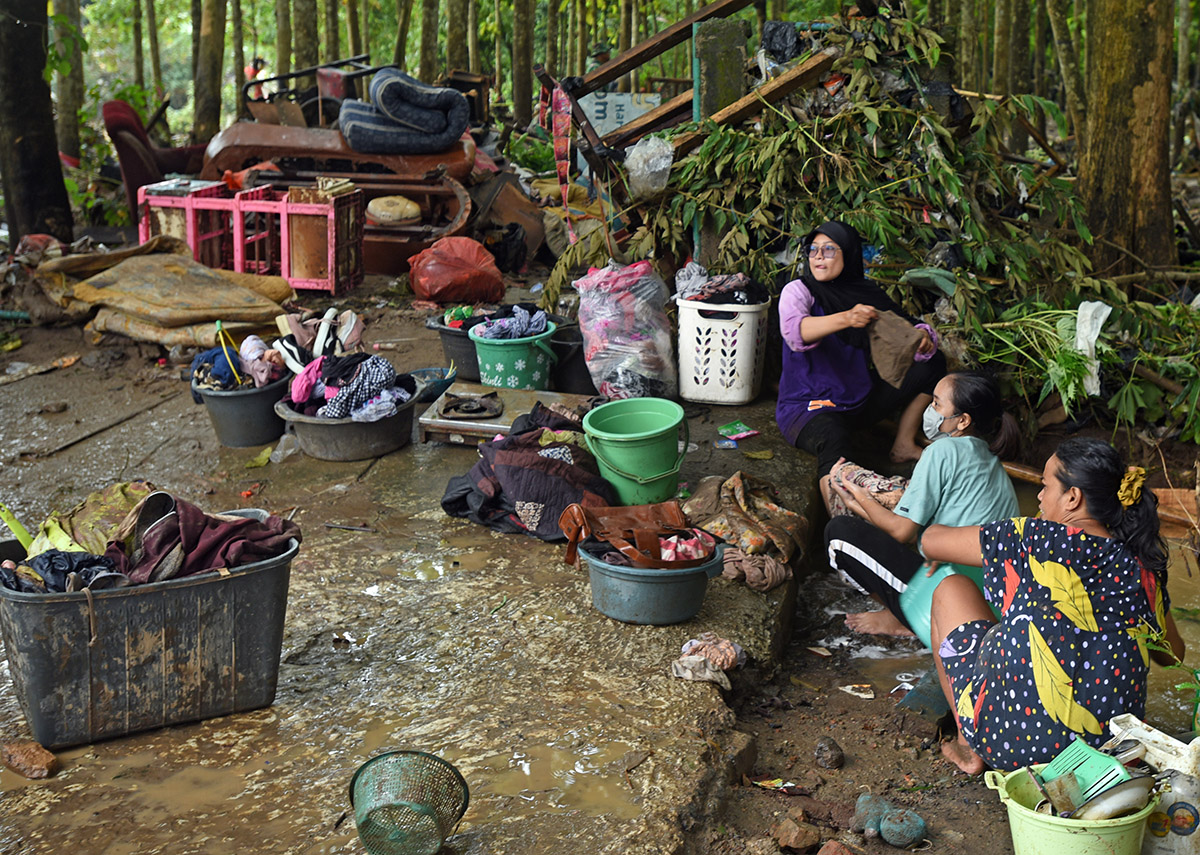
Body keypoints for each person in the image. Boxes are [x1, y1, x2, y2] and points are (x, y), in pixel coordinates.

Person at [920, 437, 1186, 774]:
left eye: (1045, 487)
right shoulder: (1143, 565)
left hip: (1013, 749)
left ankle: (970, 746)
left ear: (1073, 497)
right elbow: (1172, 655)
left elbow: (930, 540)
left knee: (950, 588)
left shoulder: (1032, 536)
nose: (1041, 497)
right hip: (1111, 758)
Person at [825, 370, 1021, 638]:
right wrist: (858, 502)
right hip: (992, 603)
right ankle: (912, 615)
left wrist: (859, 497)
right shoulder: (992, 463)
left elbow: (902, 531)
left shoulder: (941, 451)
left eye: (937, 404)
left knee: (839, 534)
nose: (930, 409)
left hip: (955, 598)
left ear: (962, 420)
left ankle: (909, 619)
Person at [775, 221, 946, 511]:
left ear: (850, 254)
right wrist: (846, 318)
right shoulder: (799, 291)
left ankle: (903, 443)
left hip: (857, 401)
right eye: (813, 249)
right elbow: (795, 332)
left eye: (828, 249)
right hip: (809, 407)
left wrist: (921, 338)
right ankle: (839, 524)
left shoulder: (866, 293)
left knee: (934, 365)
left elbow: (904, 327)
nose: (817, 256)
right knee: (834, 440)